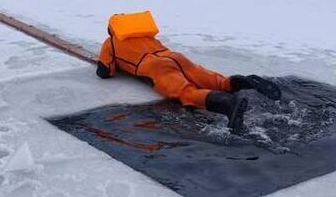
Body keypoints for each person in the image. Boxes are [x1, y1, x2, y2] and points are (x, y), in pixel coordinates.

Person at [96, 11, 281, 131]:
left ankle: (228, 103)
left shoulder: (111, 42)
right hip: (175, 57)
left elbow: (105, 72)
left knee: (187, 93)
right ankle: (244, 81)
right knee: (216, 81)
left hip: (153, 66)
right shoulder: (147, 37)